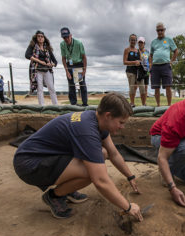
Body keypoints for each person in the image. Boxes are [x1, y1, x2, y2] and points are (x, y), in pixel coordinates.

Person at [13, 92, 143, 221]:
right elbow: (100, 181)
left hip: (45, 155)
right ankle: (54, 196)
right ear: (108, 115)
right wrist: (128, 207)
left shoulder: (96, 119)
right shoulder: (86, 131)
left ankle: (67, 189)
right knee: (91, 173)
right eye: (121, 122)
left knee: (102, 153)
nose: (122, 127)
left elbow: (113, 153)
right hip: (29, 164)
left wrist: (130, 176)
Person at [25, 30, 58, 106]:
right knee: (40, 89)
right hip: (37, 69)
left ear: (44, 38)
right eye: (38, 36)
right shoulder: (32, 46)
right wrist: (39, 61)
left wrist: (51, 64)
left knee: (51, 87)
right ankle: (41, 106)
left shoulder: (47, 48)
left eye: (42, 36)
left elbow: (55, 61)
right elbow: (27, 55)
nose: (40, 38)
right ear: (36, 38)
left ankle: (55, 105)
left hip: (47, 69)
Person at [149, 22, 178, 106]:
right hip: (155, 67)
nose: (160, 32)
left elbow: (176, 51)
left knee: (168, 86)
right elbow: (150, 55)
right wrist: (150, 65)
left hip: (166, 65)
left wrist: (171, 61)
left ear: (164, 30)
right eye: (158, 30)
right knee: (156, 87)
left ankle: (169, 105)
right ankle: (158, 105)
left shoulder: (169, 40)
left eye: (161, 30)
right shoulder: (153, 42)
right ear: (156, 31)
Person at [60, 27, 88, 106]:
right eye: (64, 37)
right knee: (71, 85)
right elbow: (63, 58)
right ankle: (73, 104)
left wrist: (84, 70)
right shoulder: (62, 44)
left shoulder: (78, 43)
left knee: (81, 84)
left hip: (78, 64)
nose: (66, 39)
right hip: (70, 65)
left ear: (71, 35)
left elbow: (84, 57)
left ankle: (85, 104)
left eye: (67, 37)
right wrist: (67, 71)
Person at [123, 34, 145, 107]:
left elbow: (141, 61)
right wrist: (134, 62)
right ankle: (132, 103)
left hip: (138, 72)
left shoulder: (138, 50)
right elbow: (124, 62)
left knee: (142, 87)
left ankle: (143, 104)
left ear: (136, 41)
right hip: (130, 71)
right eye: (131, 40)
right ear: (129, 41)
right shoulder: (127, 50)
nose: (133, 41)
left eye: (134, 40)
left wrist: (140, 62)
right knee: (132, 88)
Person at [138, 36, 150, 105]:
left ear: (144, 43)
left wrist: (150, 70)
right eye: (139, 42)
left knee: (145, 88)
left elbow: (149, 61)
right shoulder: (136, 51)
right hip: (139, 70)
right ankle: (133, 102)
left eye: (141, 42)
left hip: (147, 70)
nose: (140, 44)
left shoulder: (147, 52)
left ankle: (144, 103)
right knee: (137, 87)